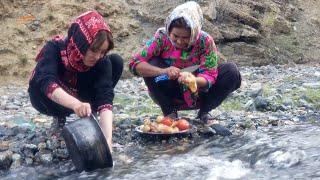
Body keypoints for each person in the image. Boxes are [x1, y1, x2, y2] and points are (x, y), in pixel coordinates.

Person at [128, 1, 241, 136]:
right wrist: (164, 71)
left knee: (232, 71)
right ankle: (170, 113)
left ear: (194, 33)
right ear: (169, 30)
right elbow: (135, 64)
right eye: (175, 36)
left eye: (186, 37)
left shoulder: (205, 41)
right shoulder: (161, 38)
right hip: (170, 87)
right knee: (152, 63)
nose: (180, 42)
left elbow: (210, 74)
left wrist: (193, 80)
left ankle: (204, 113)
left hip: (199, 91)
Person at [28, 11, 123, 149]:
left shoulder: (101, 61)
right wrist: (75, 104)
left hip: (82, 95)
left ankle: (91, 114)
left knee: (115, 61)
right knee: (38, 80)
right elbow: (46, 81)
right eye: (94, 50)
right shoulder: (54, 48)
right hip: (51, 100)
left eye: (102, 52)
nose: (97, 56)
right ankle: (59, 116)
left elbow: (105, 98)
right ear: (81, 43)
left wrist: (107, 140)